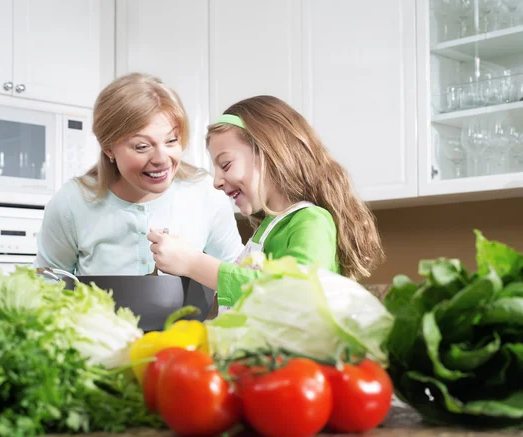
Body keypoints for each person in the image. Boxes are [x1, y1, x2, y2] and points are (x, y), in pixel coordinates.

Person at [148, 95, 385, 310]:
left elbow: (295, 296)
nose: (217, 182)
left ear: (269, 153)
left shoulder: (311, 222)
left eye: (226, 164)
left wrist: (193, 263)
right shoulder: (268, 229)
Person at [33, 73, 243, 276]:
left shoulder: (206, 192)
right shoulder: (72, 202)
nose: (161, 159)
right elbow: (48, 281)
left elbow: (239, 278)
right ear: (108, 148)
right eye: (142, 146)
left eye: (171, 141)